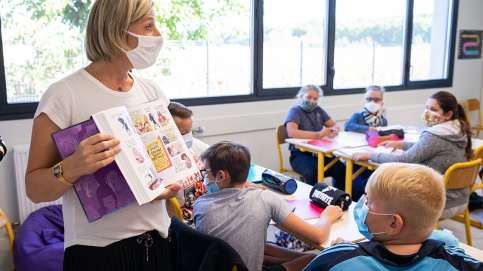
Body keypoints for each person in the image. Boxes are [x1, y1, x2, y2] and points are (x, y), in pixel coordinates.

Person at [25, 1, 181, 270]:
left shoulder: (152, 92)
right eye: (147, 26)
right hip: (97, 252)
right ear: (116, 31)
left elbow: (164, 166)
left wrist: (166, 187)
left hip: (159, 241)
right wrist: (72, 167)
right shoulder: (64, 95)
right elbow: (34, 189)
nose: (157, 35)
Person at [193, 141, 343, 271]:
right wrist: (326, 216)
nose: (205, 176)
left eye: (206, 172)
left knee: (272, 247)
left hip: (221, 266)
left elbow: (238, 244)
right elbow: (318, 236)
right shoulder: (264, 199)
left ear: (220, 176)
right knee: (315, 258)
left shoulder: (200, 204)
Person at [303, 163, 483, 271]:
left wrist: (348, 252)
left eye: (369, 202)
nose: (362, 205)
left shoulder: (336, 258)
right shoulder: (457, 260)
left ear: (393, 223)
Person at [352, 91, 472, 218]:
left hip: (438, 202)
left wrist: (370, 156)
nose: (427, 112)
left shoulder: (436, 134)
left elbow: (405, 159)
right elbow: (427, 146)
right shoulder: (458, 130)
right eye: (427, 108)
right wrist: (400, 145)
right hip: (460, 200)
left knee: (386, 185)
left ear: (448, 114)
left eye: (433, 109)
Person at [167, 101, 265, 225]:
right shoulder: (162, 162)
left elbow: (224, 160)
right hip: (191, 223)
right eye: (183, 133)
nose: (188, 136)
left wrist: (243, 182)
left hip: (212, 211)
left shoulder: (195, 145)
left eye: (190, 131)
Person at [285, 85, 346, 188]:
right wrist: (318, 135)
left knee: (342, 171)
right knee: (314, 173)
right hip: (300, 154)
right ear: (301, 97)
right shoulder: (295, 111)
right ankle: (311, 202)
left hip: (319, 153)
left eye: (315, 99)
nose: (311, 101)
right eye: (308, 97)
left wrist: (333, 130)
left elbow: (335, 125)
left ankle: (338, 200)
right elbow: (292, 132)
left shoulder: (319, 111)